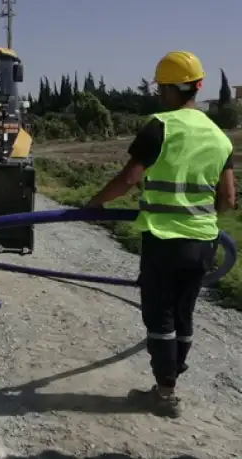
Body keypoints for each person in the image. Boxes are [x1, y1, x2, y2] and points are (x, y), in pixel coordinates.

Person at [85, 51, 237, 418]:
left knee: (160, 316)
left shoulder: (160, 126)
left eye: (161, 89)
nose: (158, 96)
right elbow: (229, 199)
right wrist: (199, 217)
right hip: (203, 242)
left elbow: (128, 179)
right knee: (184, 315)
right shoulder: (219, 136)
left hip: (164, 240)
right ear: (198, 86)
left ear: (170, 89)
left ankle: (165, 393)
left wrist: (93, 206)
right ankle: (169, 384)